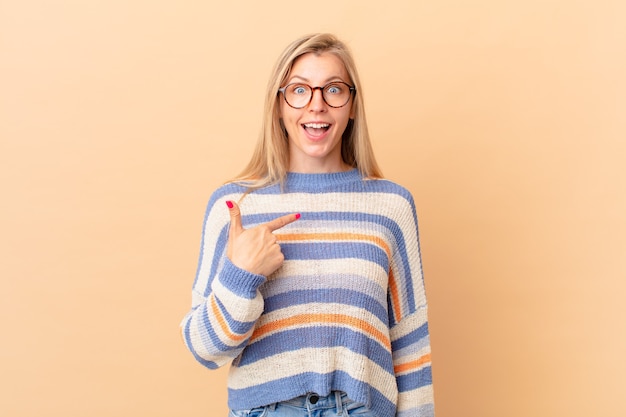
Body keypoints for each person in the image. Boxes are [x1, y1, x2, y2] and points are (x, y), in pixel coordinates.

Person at [180, 33, 434, 417]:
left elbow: (411, 342)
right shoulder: (236, 206)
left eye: (333, 90)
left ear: (352, 106)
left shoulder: (391, 205)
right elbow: (204, 348)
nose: (317, 106)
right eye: (299, 90)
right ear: (279, 105)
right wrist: (241, 276)